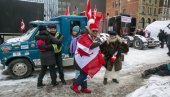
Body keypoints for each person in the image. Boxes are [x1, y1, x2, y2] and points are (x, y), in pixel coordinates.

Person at [70, 21, 105, 93]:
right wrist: (99, 43)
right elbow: (90, 46)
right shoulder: (84, 36)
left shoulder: (89, 36)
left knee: (84, 73)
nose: (95, 32)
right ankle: (75, 85)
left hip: (84, 60)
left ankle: (84, 88)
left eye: (96, 31)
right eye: (94, 31)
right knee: (84, 73)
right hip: (80, 60)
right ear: (90, 30)